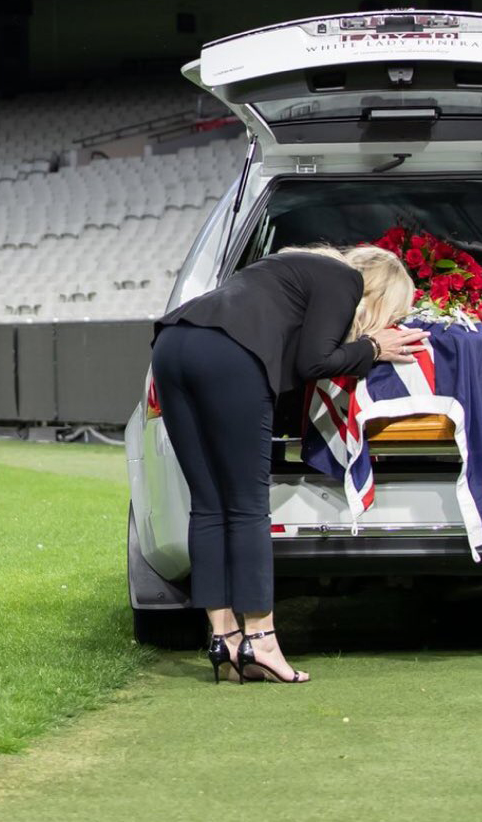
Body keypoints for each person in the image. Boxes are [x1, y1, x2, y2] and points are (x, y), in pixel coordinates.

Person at [152, 245, 427, 685]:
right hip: (229, 355)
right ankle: (261, 642)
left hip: (172, 344)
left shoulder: (288, 267)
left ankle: (223, 640)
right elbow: (313, 363)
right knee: (246, 507)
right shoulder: (345, 280)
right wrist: (373, 346)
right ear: (377, 290)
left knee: (208, 504)